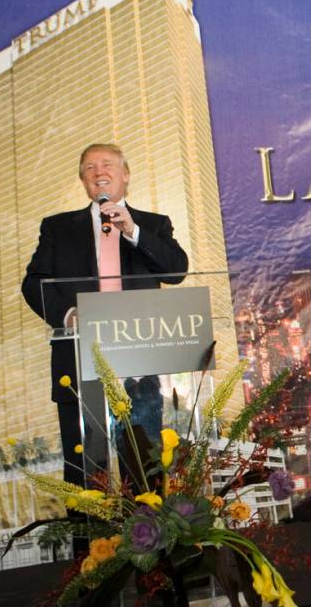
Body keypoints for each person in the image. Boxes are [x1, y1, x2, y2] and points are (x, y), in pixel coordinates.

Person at [22, 143, 188, 489]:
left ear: (125, 175)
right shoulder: (58, 228)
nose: (99, 172)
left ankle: (149, 540)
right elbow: (34, 283)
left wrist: (133, 232)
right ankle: (91, 544)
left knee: (143, 470)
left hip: (139, 364)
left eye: (108, 165)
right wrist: (66, 315)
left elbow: (176, 271)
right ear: (83, 180)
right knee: (86, 476)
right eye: (90, 168)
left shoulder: (153, 225)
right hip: (80, 363)